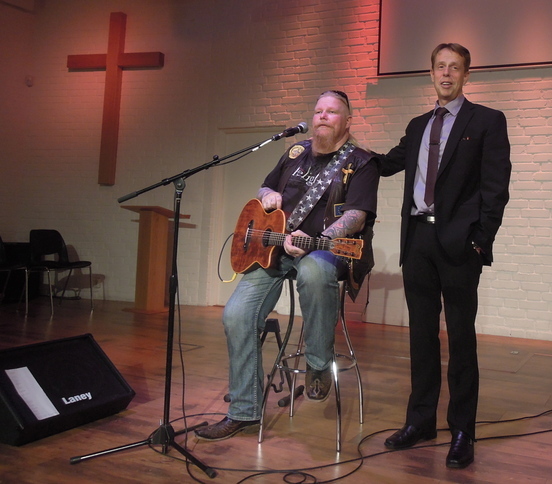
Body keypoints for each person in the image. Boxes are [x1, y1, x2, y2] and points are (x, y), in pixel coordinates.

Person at [195, 90, 379, 441]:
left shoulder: (361, 162)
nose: (323, 116)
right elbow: (266, 185)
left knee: (313, 270)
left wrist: (318, 239)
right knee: (235, 315)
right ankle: (244, 411)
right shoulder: (295, 153)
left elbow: (356, 216)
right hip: (273, 250)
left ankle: (318, 364)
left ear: (347, 121)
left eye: (332, 112)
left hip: (326, 251)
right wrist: (267, 195)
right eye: (318, 110)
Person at [378, 43, 511, 468]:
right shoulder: (418, 124)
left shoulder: (487, 120)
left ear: (466, 75)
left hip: (459, 244)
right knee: (420, 336)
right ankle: (420, 422)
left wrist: (480, 239)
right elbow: (386, 163)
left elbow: (496, 187)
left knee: (460, 338)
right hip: (417, 240)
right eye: (440, 67)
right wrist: (345, 149)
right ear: (431, 73)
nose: (447, 74)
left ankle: (461, 431)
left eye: (455, 68)